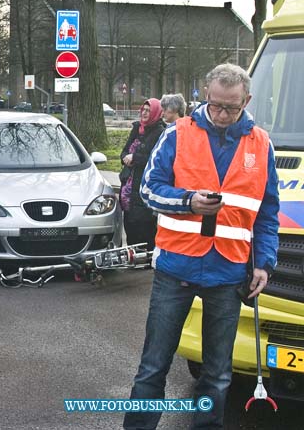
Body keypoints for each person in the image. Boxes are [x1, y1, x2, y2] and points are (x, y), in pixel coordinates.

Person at [124, 64, 280, 429]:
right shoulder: (177, 134)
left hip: (228, 272)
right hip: (175, 267)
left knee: (217, 374)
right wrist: (188, 202)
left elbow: (268, 213)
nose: (223, 115)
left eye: (232, 108)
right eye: (216, 106)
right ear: (205, 95)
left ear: (247, 101)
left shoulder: (261, 144)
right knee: (153, 367)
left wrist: (264, 264)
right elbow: (148, 188)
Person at [119, 98, 165, 250]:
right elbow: (124, 150)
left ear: (155, 113)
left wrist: (135, 158)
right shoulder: (137, 128)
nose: (144, 113)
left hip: (143, 182)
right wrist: (125, 157)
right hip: (128, 184)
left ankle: (145, 256)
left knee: (143, 222)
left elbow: (155, 158)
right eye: (143, 110)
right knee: (129, 219)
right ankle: (132, 253)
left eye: (148, 110)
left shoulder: (160, 132)